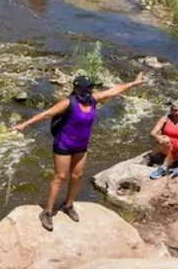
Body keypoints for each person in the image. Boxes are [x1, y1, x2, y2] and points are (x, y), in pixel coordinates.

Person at [13, 72, 147, 232]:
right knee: (60, 177)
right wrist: (24, 124)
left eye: (90, 87)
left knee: (77, 176)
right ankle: (47, 212)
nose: (88, 91)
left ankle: (68, 205)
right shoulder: (68, 102)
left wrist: (133, 83)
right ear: (76, 89)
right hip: (63, 145)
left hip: (81, 146)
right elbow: (46, 114)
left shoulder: (93, 100)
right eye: (85, 88)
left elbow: (115, 90)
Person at [148, 100, 178, 179]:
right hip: (166, 146)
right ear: (171, 110)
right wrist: (158, 137)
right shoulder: (165, 119)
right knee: (165, 139)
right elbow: (152, 133)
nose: (177, 113)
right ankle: (153, 158)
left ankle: (166, 165)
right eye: (175, 110)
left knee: (176, 145)